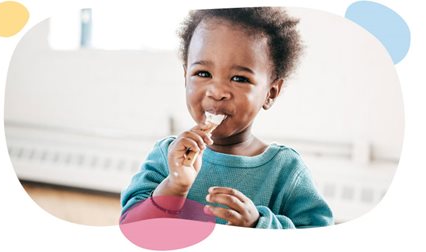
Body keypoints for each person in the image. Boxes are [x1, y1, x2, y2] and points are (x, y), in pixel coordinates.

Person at [120, 7, 334, 229]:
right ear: (186, 77)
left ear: (270, 93)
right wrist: (174, 186)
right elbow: (132, 227)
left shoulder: (286, 170)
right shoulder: (166, 156)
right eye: (203, 74)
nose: (217, 91)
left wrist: (258, 225)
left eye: (239, 78)